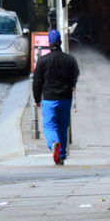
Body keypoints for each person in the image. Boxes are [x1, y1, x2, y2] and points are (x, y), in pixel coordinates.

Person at [33, 29, 79, 165]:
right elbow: (75, 76)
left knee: (49, 125)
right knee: (62, 127)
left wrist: (37, 99)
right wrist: (71, 86)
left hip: (49, 98)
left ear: (49, 43)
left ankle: (54, 143)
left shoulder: (43, 61)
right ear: (60, 42)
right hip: (65, 98)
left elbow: (37, 81)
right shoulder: (70, 59)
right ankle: (62, 155)